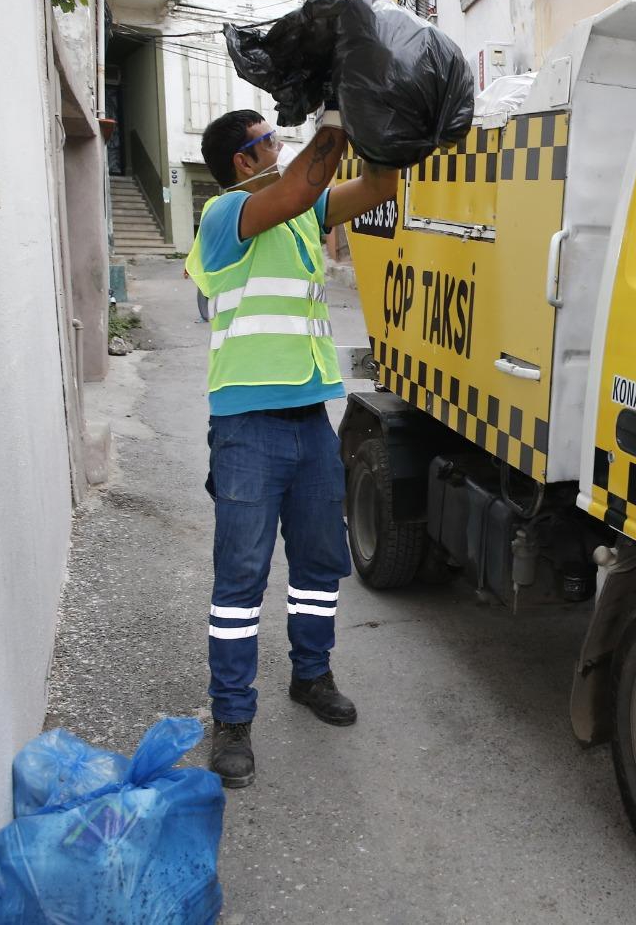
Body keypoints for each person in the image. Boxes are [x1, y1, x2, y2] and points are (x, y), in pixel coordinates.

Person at [185, 108, 396, 789]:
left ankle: (312, 675)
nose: (280, 145)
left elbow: (378, 189)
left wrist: (385, 127)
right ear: (244, 162)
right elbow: (304, 187)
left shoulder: (303, 210)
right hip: (247, 425)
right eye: (268, 140)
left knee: (317, 566)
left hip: (309, 418)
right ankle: (233, 719)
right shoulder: (227, 215)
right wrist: (337, 111)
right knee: (240, 582)